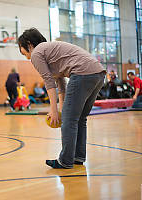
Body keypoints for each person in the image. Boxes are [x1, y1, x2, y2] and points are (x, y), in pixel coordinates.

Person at [18, 28, 106, 169]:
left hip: (82, 74)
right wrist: (61, 108)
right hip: (98, 73)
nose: (25, 56)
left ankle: (65, 160)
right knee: (80, 118)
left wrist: (54, 110)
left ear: (29, 44)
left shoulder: (37, 53)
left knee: (70, 119)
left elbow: (49, 82)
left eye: (22, 50)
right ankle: (77, 157)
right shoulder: (50, 50)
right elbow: (61, 84)